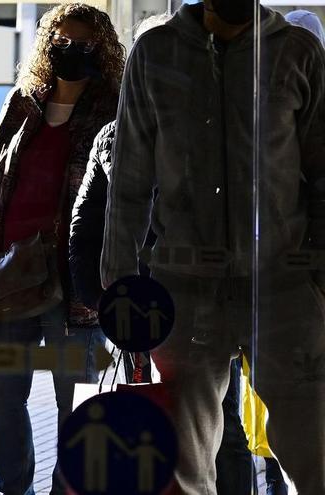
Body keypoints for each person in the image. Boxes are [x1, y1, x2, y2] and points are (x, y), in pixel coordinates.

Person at [102, 0, 325, 493]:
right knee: (180, 466)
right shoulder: (156, 53)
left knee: (316, 457)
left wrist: (317, 281)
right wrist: (118, 286)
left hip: (282, 289)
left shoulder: (296, 51)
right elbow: (130, 177)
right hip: (185, 289)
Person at [0, 3, 122, 494]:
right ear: (47, 46)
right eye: (62, 41)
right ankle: (14, 488)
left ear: (102, 49)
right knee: (3, 397)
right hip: (11, 271)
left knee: (78, 401)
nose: (71, 50)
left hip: (78, 277)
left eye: (84, 43)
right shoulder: (24, 102)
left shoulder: (114, 107)